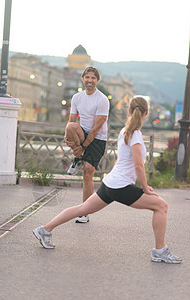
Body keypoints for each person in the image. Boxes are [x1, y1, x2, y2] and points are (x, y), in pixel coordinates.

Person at [33, 96, 182, 264]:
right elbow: (139, 165)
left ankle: (45, 229)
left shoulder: (124, 131)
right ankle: (160, 251)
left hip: (111, 183)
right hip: (120, 186)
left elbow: (122, 160)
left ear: (128, 111)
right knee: (161, 206)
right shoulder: (136, 135)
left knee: (82, 208)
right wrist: (145, 187)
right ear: (147, 113)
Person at [64, 66, 109, 223]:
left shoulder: (102, 99)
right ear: (83, 79)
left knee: (88, 172)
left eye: (93, 78)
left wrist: (82, 147)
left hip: (98, 138)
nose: (90, 80)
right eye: (87, 77)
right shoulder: (77, 97)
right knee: (70, 127)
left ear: (97, 80)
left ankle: (84, 212)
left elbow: (97, 128)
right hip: (82, 133)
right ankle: (77, 158)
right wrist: (68, 137)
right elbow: (72, 121)